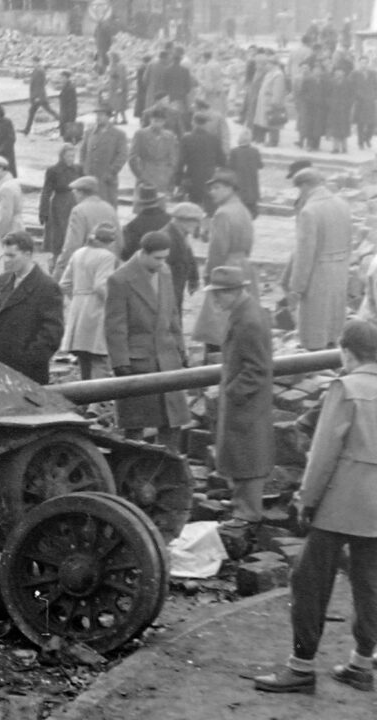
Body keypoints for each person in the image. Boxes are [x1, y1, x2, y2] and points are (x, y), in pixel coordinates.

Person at [263, 319, 377, 695]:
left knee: (309, 581)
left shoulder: (345, 388)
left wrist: (305, 500)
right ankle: (361, 664)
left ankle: (301, 667)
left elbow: (324, 453)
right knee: (370, 584)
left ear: (346, 352)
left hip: (341, 502)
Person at [199, 266, 276, 529]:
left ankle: (247, 514)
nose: (215, 300)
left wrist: (233, 392)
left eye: (217, 295)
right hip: (246, 402)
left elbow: (258, 368)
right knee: (242, 454)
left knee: (248, 457)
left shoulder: (249, 320)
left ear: (231, 292)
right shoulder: (245, 312)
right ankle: (240, 505)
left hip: (247, 403)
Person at [105, 231, 190, 450]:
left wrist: (181, 349)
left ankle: (170, 466)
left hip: (168, 358)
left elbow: (173, 315)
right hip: (138, 363)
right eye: (157, 258)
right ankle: (135, 467)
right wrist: (120, 362)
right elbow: (115, 326)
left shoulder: (165, 272)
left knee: (172, 421)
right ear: (143, 253)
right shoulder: (120, 279)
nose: (162, 263)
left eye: (165, 258)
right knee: (136, 424)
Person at [288, 167, 352, 350]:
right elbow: (349, 242)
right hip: (340, 271)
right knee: (334, 325)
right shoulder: (342, 204)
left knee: (314, 328)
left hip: (318, 274)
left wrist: (296, 287)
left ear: (305, 186)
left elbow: (305, 254)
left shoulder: (310, 211)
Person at [0, 232, 63, 384]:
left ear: (27, 255)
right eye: (5, 255)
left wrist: (28, 359)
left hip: (28, 371)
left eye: (12, 256)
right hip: (0, 364)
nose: (6, 260)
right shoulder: (4, 279)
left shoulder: (47, 286)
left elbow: (52, 334)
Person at [193, 170, 257, 348]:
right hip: (243, 266)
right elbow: (249, 243)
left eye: (217, 188)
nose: (212, 192)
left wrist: (209, 274)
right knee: (241, 315)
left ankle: (217, 357)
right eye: (211, 188)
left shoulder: (222, 213)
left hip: (226, 268)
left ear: (230, 189)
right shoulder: (242, 209)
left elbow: (217, 249)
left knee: (217, 323)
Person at [60, 223, 120, 380]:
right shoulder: (107, 257)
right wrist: (112, 305)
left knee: (83, 356)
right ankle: (100, 394)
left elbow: (64, 284)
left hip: (77, 308)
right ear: (110, 242)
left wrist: (78, 297)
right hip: (96, 310)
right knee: (99, 356)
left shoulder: (78, 253)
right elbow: (100, 286)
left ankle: (85, 391)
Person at [54, 176, 119, 295]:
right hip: (108, 265)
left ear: (81, 193)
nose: (74, 195)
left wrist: (61, 266)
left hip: (86, 267)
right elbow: (119, 240)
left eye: (75, 192)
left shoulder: (79, 210)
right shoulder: (109, 208)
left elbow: (73, 244)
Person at [154, 202, 204, 316]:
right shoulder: (167, 238)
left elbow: (189, 256)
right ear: (183, 221)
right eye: (195, 221)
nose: (197, 225)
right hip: (167, 290)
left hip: (176, 287)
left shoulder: (180, 234)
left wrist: (193, 278)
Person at [176, 113, 227, 212]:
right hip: (209, 178)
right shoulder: (214, 139)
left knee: (193, 207)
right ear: (206, 124)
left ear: (193, 122)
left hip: (192, 177)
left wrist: (178, 180)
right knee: (209, 208)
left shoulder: (187, 138)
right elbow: (222, 161)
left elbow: (181, 161)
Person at [39, 144, 82, 256]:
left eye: (73, 156)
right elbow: (46, 192)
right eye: (68, 156)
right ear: (62, 156)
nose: (71, 159)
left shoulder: (78, 169)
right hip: (59, 204)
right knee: (58, 234)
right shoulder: (53, 170)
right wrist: (43, 211)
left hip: (75, 202)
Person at [81, 105, 128, 206]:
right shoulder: (89, 132)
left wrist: (111, 172)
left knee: (108, 206)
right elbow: (83, 152)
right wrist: (84, 170)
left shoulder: (118, 134)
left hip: (107, 179)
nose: (98, 117)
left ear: (108, 117)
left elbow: (122, 155)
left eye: (101, 115)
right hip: (91, 178)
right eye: (97, 115)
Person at [130, 107, 179, 195]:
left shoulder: (169, 136)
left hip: (163, 177)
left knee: (161, 201)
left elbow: (173, 158)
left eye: (160, 121)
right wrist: (140, 176)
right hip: (146, 174)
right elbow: (132, 158)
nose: (157, 124)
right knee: (144, 200)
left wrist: (168, 174)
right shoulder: (140, 134)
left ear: (164, 122)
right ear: (150, 120)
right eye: (155, 121)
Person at [122, 185, 171, 260]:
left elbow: (127, 255)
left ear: (140, 203)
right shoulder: (170, 219)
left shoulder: (132, 226)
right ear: (157, 201)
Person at [228, 128, 264, 217]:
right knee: (251, 209)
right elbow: (260, 165)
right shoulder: (255, 151)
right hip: (252, 183)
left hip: (239, 182)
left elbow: (230, 166)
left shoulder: (234, 151)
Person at [0, 157, 23, 240]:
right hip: (13, 230)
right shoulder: (10, 183)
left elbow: (4, 217)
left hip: (9, 233)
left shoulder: (6, 188)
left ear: (0, 169)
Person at [22, 63, 56, 136]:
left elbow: (39, 85)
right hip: (39, 96)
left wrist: (37, 97)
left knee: (49, 111)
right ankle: (26, 130)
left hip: (39, 97)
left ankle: (64, 123)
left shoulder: (39, 71)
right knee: (34, 112)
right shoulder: (39, 71)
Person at [354, 55, 377, 150]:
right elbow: (351, 86)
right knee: (360, 123)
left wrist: (374, 95)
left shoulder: (373, 73)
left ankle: (367, 138)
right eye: (362, 63)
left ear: (368, 63)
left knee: (373, 122)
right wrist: (356, 96)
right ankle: (360, 143)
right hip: (360, 101)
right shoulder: (355, 73)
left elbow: (376, 85)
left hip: (370, 101)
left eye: (366, 63)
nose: (364, 65)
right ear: (359, 63)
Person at [106, 54, 130, 125]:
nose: (111, 59)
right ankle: (124, 119)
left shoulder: (120, 66)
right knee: (118, 104)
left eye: (112, 58)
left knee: (117, 104)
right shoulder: (113, 65)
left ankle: (115, 119)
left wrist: (120, 87)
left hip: (117, 88)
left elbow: (122, 77)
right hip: (113, 87)